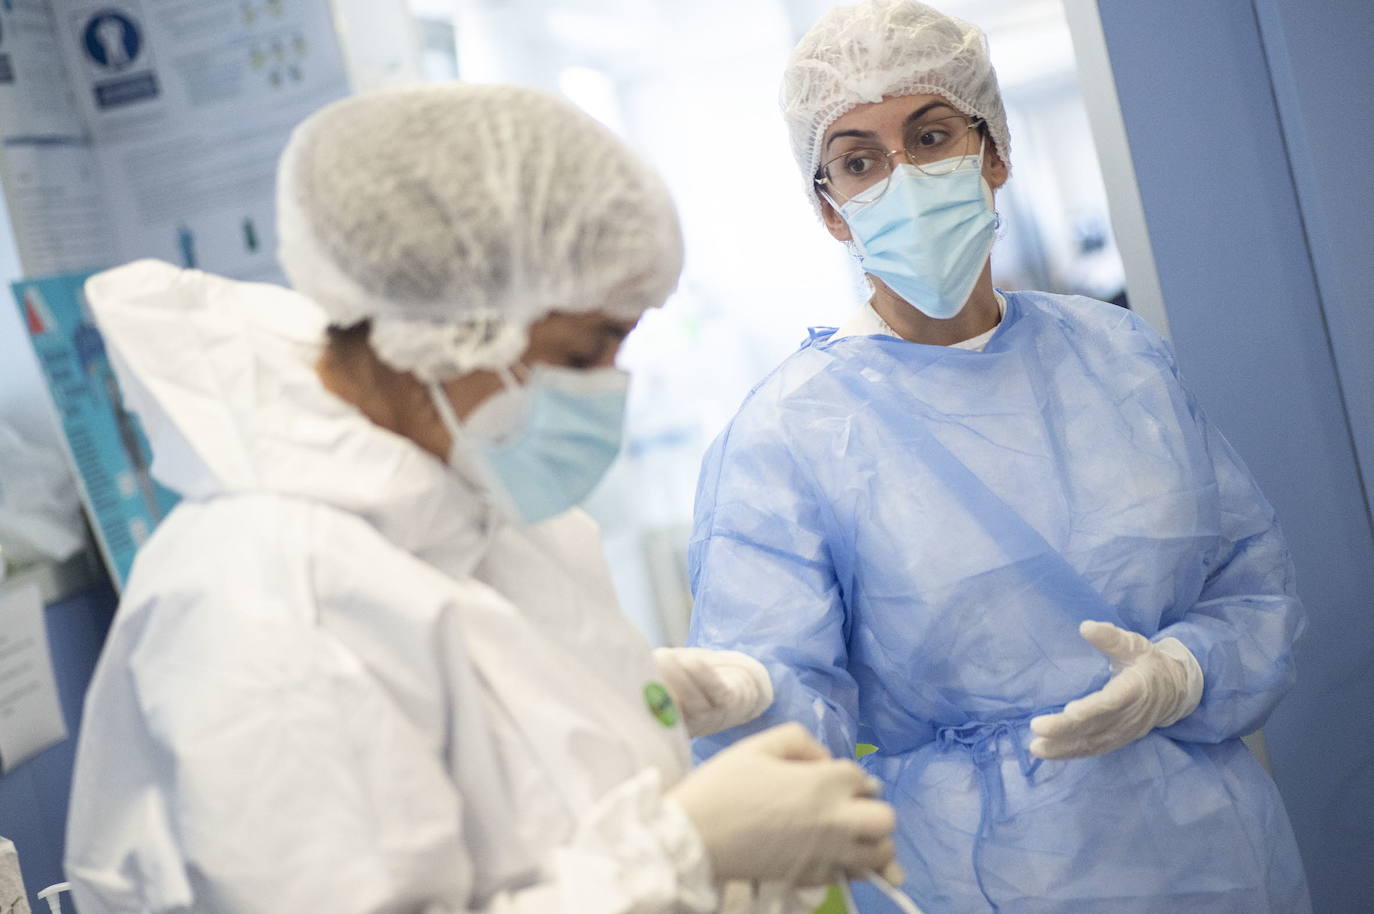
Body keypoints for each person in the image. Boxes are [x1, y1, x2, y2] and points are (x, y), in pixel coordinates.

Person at [63, 84, 900, 914]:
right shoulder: (273, 603)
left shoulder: (451, 495)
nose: (609, 390)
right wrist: (682, 853)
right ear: (447, 330)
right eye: (582, 356)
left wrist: (618, 691)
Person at [685, 2, 1310, 912]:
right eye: (859, 159)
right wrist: (740, 694)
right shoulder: (791, 434)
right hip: (978, 878)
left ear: (995, 153)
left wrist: (1183, 675)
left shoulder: (1118, 356)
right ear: (830, 210)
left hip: (1214, 859)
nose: (902, 175)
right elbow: (783, 723)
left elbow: (1251, 587)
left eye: (932, 134)